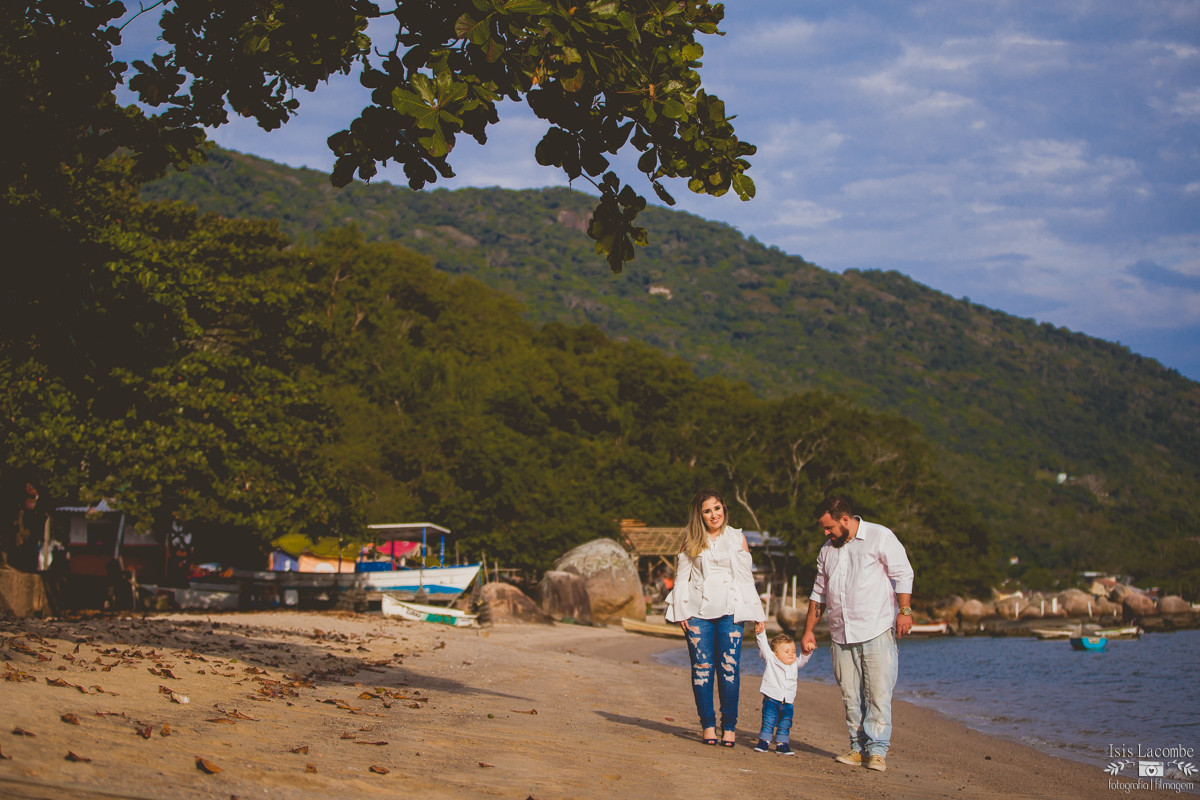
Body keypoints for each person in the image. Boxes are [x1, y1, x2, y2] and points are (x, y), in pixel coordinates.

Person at [800, 496, 914, 773]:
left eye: (829, 528)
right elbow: (819, 594)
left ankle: (876, 752)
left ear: (845, 520)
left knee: (877, 693)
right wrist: (808, 632)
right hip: (840, 633)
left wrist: (905, 611)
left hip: (875, 628)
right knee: (850, 695)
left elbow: (903, 573)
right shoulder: (827, 551)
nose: (826, 534)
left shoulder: (880, 536)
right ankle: (857, 747)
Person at [665, 489, 767, 747]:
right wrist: (679, 611)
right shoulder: (691, 540)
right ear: (700, 515)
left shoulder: (737, 538)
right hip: (696, 613)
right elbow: (681, 578)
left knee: (729, 669)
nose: (714, 515)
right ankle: (708, 725)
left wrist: (757, 612)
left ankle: (729, 727)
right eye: (707, 511)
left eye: (717, 508)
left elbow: (745, 578)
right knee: (701, 669)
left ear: (724, 509)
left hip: (731, 613)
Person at [752, 630, 812, 755]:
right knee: (769, 720)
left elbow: (803, 660)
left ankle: (782, 744)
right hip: (772, 698)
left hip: (788, 701)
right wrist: (760, 633)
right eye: (787, 651)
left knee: (785, 722)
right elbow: (763, 646)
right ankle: (764, 741)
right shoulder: (771, 660)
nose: (791, 654)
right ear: (776, 654)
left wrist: (807, 651)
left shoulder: (794, 664)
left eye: (793, 651)